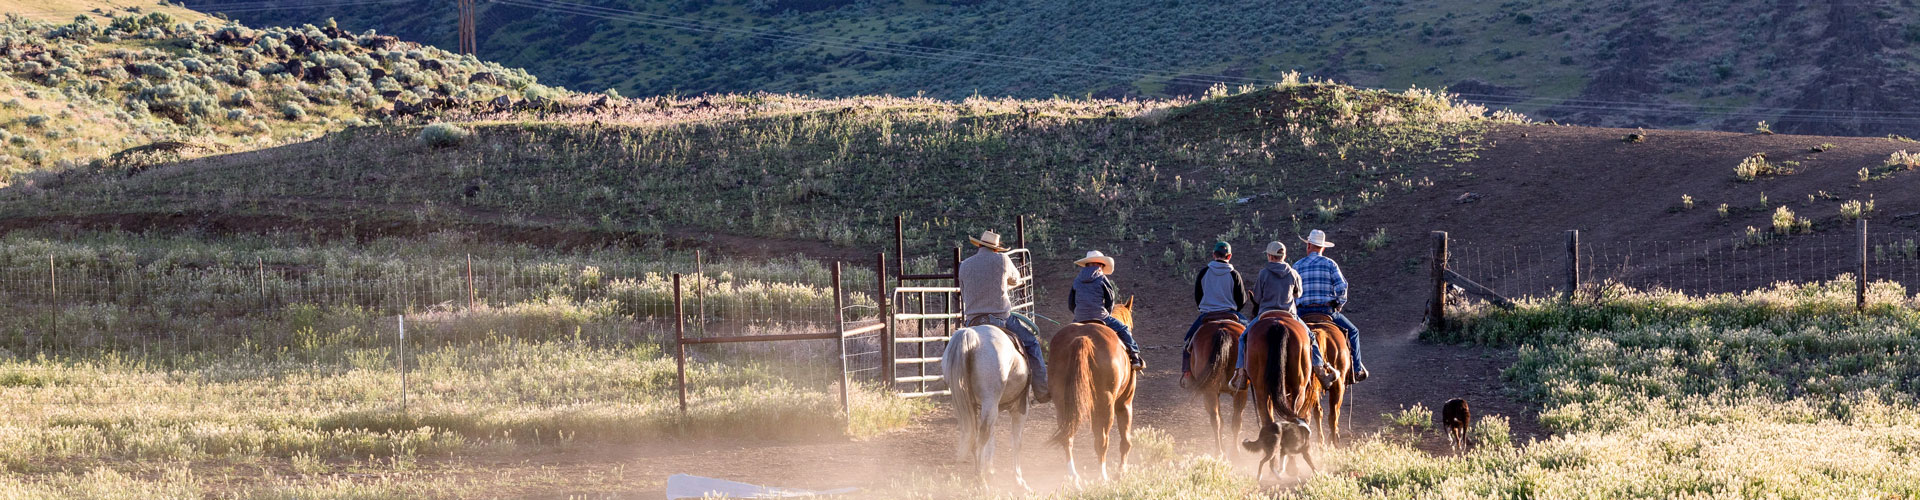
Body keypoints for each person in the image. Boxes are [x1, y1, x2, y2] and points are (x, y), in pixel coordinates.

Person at [957, 230, 1049, 403]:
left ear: (979, 245)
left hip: (972, 321)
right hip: (1001, 318)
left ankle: (950, 387)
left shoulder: (965, 265)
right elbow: (1017, 280)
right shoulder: (1002, 260)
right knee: (1031, 343)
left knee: (956, 349)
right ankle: (1042, 390)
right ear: (997, 248)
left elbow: (963, 288)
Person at [1230, 241, 1335, 390]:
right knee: (1311, 338)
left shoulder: (1263, 273)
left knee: (1243, 338)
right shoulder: (1293, 273)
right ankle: (1320, 371)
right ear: (1284, 256)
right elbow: (1299, 294)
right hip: (1289, 315)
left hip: (1266, 313)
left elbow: (1258, 298)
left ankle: (1241, 374)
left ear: (1269, 256)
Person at [1294, 229, 1368, 383]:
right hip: (1326, 310)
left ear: (1308, 245)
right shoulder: (1330, 264)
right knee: (1353, 332)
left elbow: (1291, 291)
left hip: (1302, 312)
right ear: (1322, 248)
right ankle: (1356, 369)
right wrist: (1339, 303)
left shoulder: (1297, 265)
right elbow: (1342, 287)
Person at [1178, 242, 1249, 389]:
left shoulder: (1204, 272)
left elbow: (1198, 296)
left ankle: (1187, 374)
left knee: (1188, 342)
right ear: (1229, 256)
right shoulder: (1234, 274)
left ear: (1213, 254)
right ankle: (1251, 373)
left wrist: (1205, 307)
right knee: (1251, 336)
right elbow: (1242, 300)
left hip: (1208, 314)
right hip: (1231, 313)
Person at [1066, 250, 1142, 370]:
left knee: (1066, 337)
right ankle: (1135, 355)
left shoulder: (1077, 280)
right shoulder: (1102, 278)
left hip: (1079, 318)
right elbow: (1110, 300)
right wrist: (1107, 312)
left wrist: (1079, 313)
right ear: (1099, 265)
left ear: (1087, 265)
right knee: (1123, 329)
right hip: (1100, 316)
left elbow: (1071, 303)